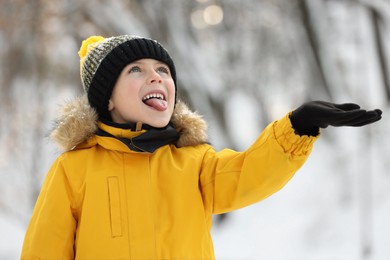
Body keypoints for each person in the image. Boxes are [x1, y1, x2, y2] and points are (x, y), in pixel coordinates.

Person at [21, 35, 382, 259]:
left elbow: (247, 174)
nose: (155, 76)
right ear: (108, 100)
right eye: (135, 69)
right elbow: (44, 251)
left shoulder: (194, 162)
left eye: (163, 70)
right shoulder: (75, 169)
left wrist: (297, 126)